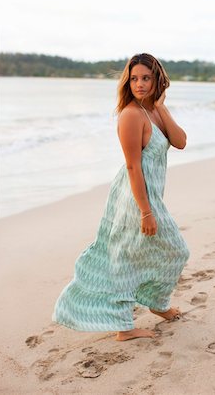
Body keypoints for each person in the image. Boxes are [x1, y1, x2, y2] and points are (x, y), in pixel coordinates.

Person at [52, 52, 190, 341]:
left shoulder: (152, 112)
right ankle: (126, 327)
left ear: (157, 80)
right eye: (134, 78)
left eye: (146, 78)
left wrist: (161, 107)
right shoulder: (130, 115)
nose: (139, 84)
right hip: (134, 197)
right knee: (141, 255)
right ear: (127, 81)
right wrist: (145, 211)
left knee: (152, 254)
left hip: (150, 196)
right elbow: (132, 166)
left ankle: (157, 305)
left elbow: (180, 142)